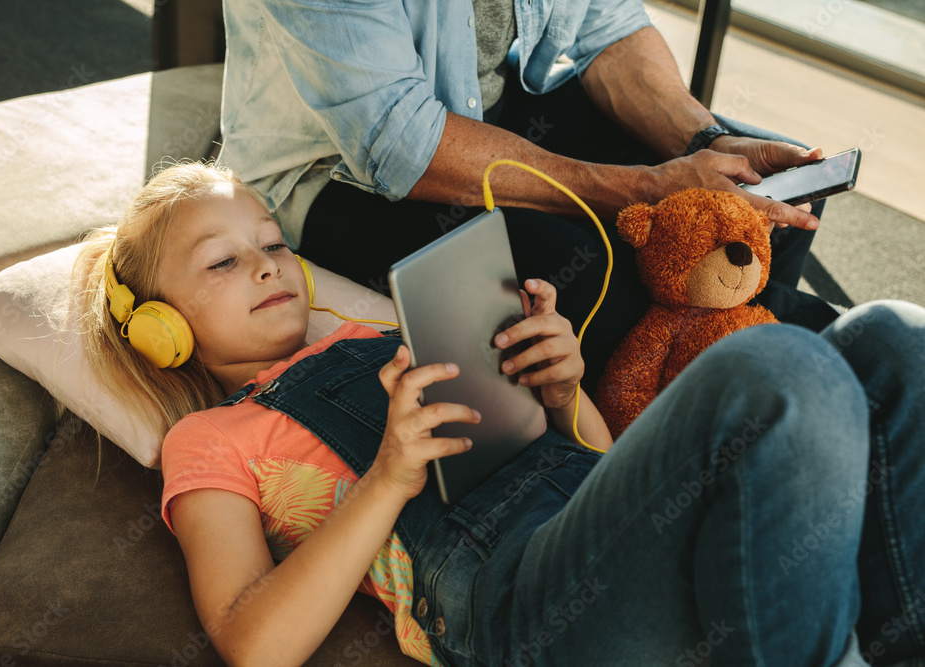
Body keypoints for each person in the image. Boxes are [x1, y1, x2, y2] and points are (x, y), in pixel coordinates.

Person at [74, 163, 925, 667]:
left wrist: (562, 390)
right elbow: (251, 641)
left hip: (598, 528)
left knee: (894, 338)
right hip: (513, 600)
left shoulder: (387, 329)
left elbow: (593, 460)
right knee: (771, 368)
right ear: (164, 330)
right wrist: (388, 476)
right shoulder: (209, 439)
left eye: (271, 242)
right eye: (223, 261)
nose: (267, 266)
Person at [216, 0, 841, 381]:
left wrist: (699, 143)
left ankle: (768, 375)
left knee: (764, 205)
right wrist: (644, 189)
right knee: (593, 275)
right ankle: (807, 382)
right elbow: (400, 142)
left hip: (477, 106)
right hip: (336, 170)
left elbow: (612, 27)